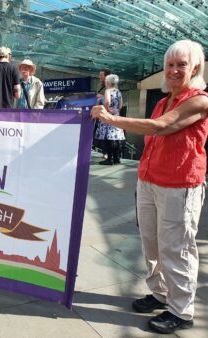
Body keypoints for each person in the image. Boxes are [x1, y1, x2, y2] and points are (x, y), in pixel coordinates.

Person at [91, 39, 208, 334]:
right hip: (150, 180)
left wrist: (110, 118)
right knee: (151, 244)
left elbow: (160, 127)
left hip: (179, 185)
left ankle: (181, 310)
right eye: (170, 64)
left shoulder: (199, 100)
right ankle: (159, 294)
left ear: (195, 68)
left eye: (181, 64)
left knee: (177, 247)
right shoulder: (162, 100)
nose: (174, 70)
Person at [94, 74, 124, 165]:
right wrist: (116, 111)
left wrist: (106, 111)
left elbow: (107, 101)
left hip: (108, 118)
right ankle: (117, 158)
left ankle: (109, 159)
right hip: (116, 117)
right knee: (115, 139)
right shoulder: (118, 91)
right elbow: (121, 105)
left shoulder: (108, 90)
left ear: (107, 82)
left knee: (108, 139)